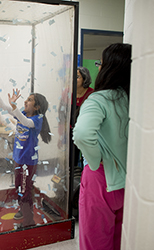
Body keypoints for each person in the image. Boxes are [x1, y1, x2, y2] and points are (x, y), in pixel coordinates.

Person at [73, 43, 131, 250]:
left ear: (109, 67)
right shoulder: (133, 99)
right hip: (127, 180)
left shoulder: (98, 98)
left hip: (100, 180)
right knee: (118, 240)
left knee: (95, 242)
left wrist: (95, 160)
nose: (98, 67)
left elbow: (81, 134)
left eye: (101, 62)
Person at [0, 73, 51, 228]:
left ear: (37, 106)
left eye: (29, 100)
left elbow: (25, 122)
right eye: (26, 99)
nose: (25, 101)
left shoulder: (36, 119)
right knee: (20, 188)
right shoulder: (22, 112)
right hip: (18, 159)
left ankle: (28, 222)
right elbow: (3, 106)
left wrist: (14, 108)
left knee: (24, 190)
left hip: (27, 162)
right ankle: (23, 209)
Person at [58, 67, 93, 167]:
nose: (73, 79)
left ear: (85, 79)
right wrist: (61, 134)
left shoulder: (92, 94)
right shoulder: (67, 93)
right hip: (70, 130)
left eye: (77, 77)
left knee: (87, 158)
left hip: (86, 131)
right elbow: (61, 115)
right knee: (70, 159)